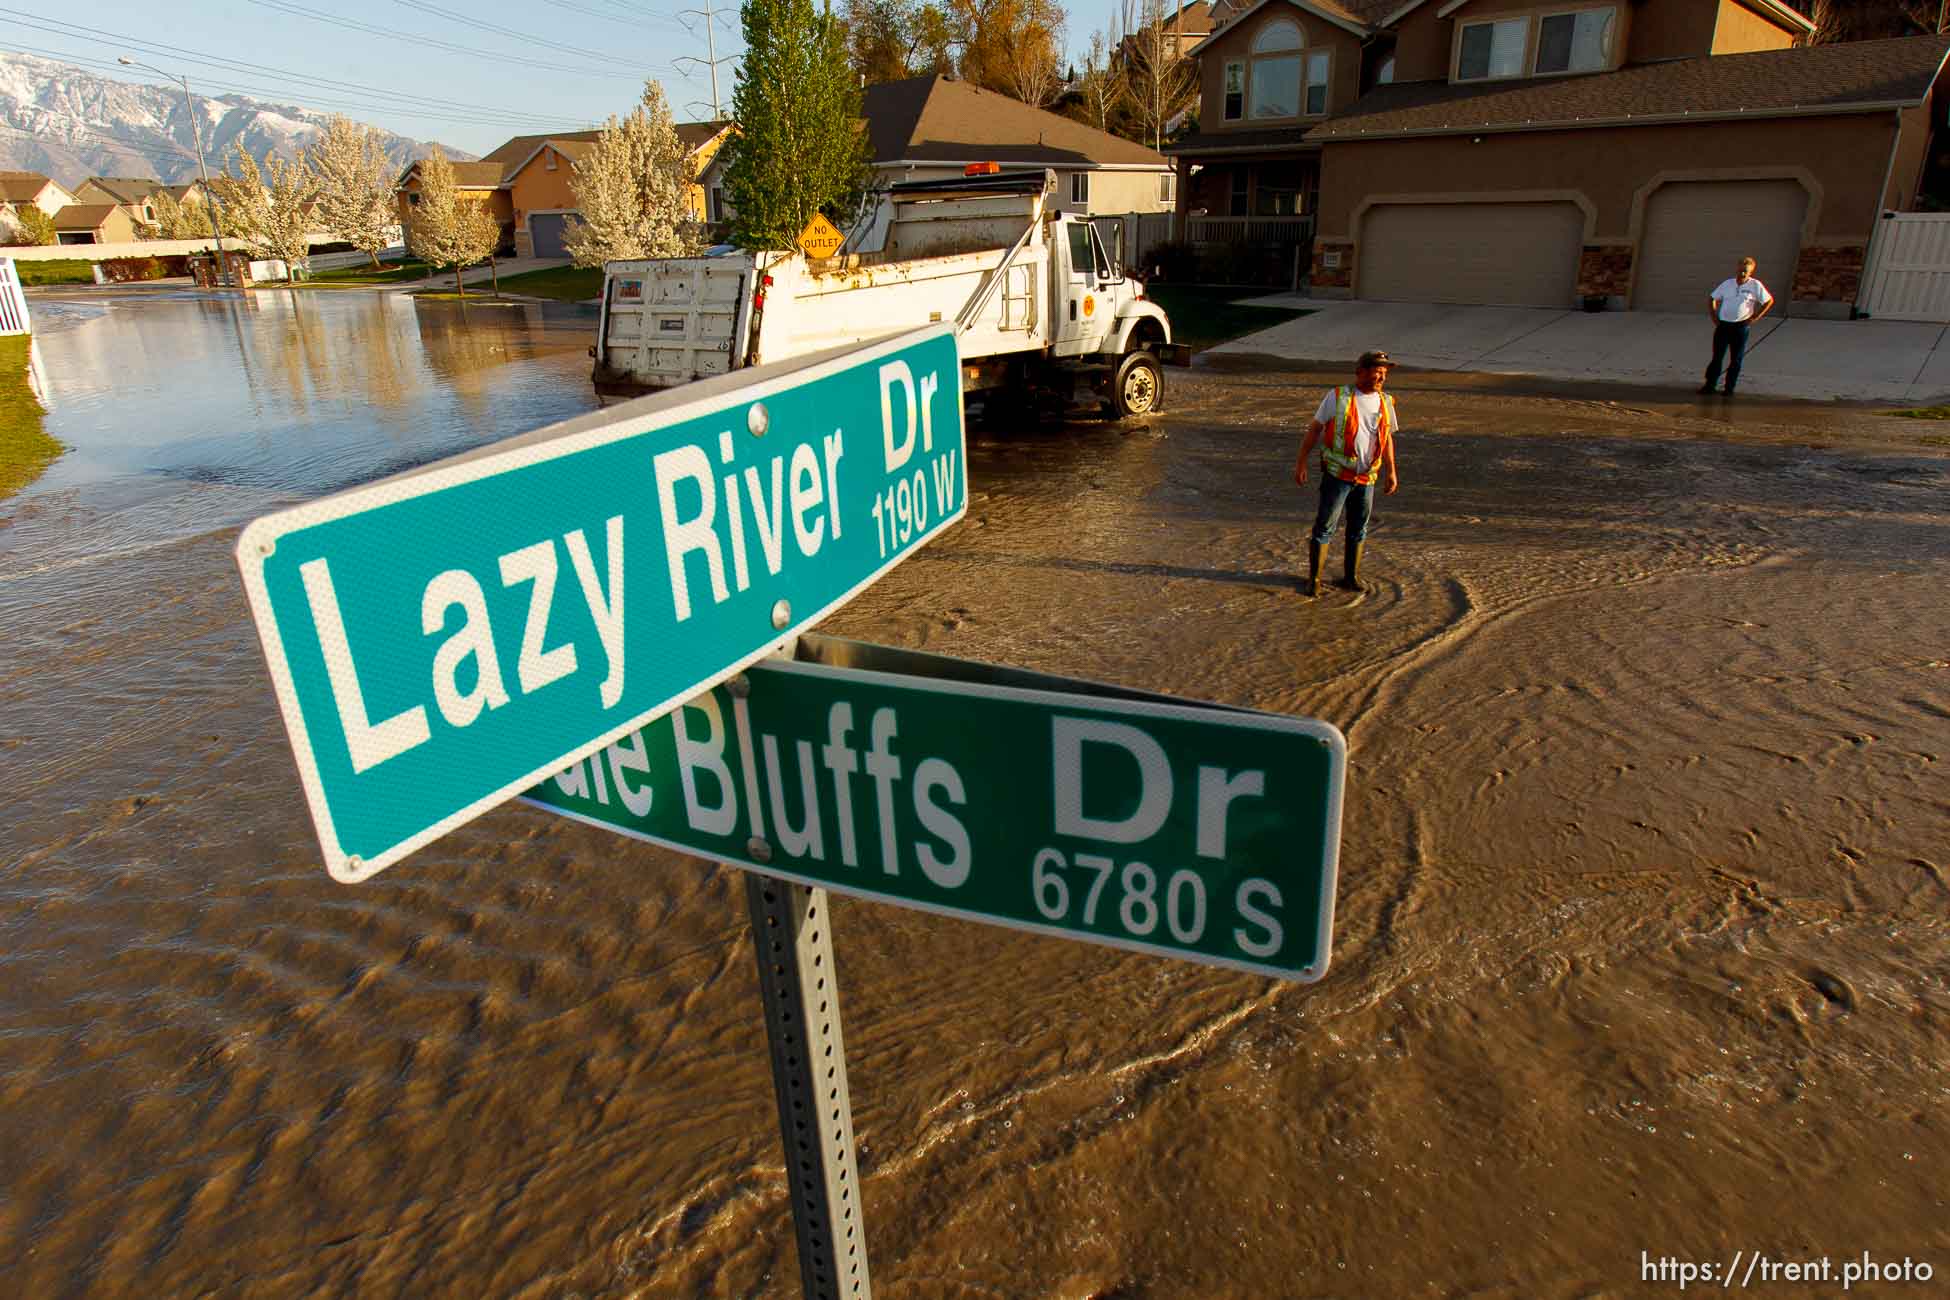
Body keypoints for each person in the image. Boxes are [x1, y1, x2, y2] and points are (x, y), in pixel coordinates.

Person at [1294, 350, 1400, 597]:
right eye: (1377, 371)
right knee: (1324, 528)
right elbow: (1314, 430)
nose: (1381, 377)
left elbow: (1388, 440)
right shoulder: (1337, 397)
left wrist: (1391, 471)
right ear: (1360, 371)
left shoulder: (1386, 402)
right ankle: (1315, 580)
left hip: (1367, 479)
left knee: (1358, 529)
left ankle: (1351, 577)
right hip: (1337, 477)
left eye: (1384, 373)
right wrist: (1301, 463)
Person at [1700, 256, 1774, 396]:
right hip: (1723, 325)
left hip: (1740, 327)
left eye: (1746, 271)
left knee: (1736, 358)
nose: (1742, 273)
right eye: (1741, 270)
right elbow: (1712, 298)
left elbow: (1768, 301)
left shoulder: (1755, 285)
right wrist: (1715, 317)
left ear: (1751, 272)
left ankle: (1729, 388)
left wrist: (1755, 317)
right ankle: (1710, 385)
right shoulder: (1727, 284)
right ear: (1737, 269)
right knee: (1717, 357)